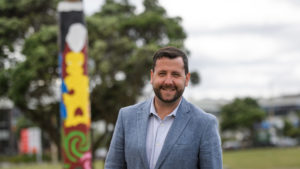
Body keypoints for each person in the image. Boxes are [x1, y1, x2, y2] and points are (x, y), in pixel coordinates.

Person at [105, 46, 223, 169]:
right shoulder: (126, 117)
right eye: (162, 74)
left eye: (175, 74)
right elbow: (113, 166)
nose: (168, 81)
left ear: (186, 79)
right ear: (152, 76)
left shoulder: (205, 124)